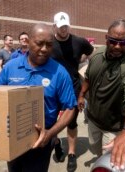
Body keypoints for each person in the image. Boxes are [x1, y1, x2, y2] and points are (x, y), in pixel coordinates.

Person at [0, 23, 77, 172]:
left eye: (49, 45)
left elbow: (70, 107)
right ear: (28, 42)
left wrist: (51, 133)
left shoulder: (60, 73)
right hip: (11, 138)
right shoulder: (11, 67)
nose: (44, 49)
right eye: (39, 43)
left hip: (41, 139)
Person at [78, 19, 125, 171]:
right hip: (93, 119)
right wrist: (81, 94)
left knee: (111, 164)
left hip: (113, 128)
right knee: (94, 148)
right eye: (113, 41)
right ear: (106, 38)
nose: (117, 46)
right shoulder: (97, 53)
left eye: (123, 42)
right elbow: (88, 77)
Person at [51, 12, 94, 172]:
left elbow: (93, 54)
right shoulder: (49, 42)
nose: (64, 29)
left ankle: (71, 154)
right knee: (50, 120)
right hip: (53, 87)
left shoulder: (79, 41)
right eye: (61, 26)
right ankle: (56, 143)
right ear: (54, 26)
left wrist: (87, 70)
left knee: (72, 122)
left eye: (66, 26)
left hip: (74, 87)